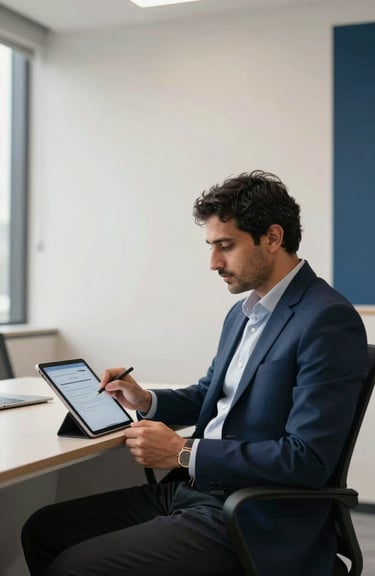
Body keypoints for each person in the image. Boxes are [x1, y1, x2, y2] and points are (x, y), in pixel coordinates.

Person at [22, 170, 368, 576]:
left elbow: (306, 458)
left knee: (75, 566)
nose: (213, 263)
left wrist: (184, 453)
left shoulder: (327, 319)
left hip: (252, 512)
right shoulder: (244, 314)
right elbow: (213, 394)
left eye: (226, 246)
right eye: (211, 246)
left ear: (273, 238)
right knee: (42, 530)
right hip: (194, 490)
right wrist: (146, 400)